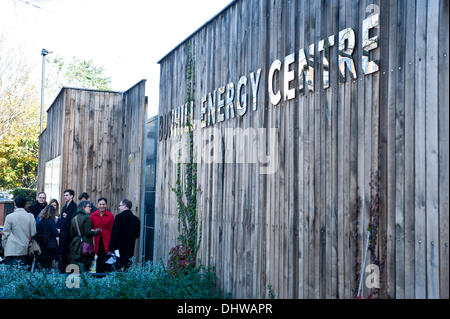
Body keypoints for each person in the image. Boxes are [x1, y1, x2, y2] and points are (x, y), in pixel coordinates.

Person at [1, 196, 36, 269]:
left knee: (11, 276)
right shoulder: (30, 216)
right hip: (25, 249)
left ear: (15, 204)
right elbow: (33, 232)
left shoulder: (9, 217)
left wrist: (5, 246)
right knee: (23, 275)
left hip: (11, 249)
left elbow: (5, 234)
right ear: (25, 204)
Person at [68, 201, 101, 271]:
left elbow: (71, 233)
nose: (90, 208)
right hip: (85, 245)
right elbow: (87, 232)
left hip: (75, 244)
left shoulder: (75, 218)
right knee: (85, 266)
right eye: (88, 206)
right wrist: (96, 232)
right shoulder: (87, 218)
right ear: (83, 208)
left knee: (76, 267)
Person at [109, 199, 140, 270]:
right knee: (128, 265)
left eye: (120, 206)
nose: (119, 207)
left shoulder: (119, 217)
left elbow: (114, 234)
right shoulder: (136, 219)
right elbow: (137, 234)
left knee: (118, 266)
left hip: (118, 248)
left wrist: (111, 248)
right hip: (130, 247)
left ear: (125, 206)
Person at [90, 197, 114, 273]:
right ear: (97, 205)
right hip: (95, 241)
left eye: (103, 204)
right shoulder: (92, 215)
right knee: (95, 260)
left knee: (105, 259)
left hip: (106, 241)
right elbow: (90, 228)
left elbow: (112, 230)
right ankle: (95, 276)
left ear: (106, 205)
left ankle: (104, 276)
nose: (102, 206)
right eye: (100, 204)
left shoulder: (110, 216)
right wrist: (94, 231)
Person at [56, 189, 77, 273]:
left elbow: (73, 220)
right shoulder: (64, 207)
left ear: (71, 196)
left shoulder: (74, 206)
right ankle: (63, 270)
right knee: (63, 254)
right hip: (63, 234)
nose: (65, 197)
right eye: (64, 195)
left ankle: (69, 271)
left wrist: (66, 217)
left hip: (70, 235)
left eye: (67, 195)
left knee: (68, 254)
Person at [35, 205, 59, 270]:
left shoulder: (40, 221)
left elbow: (37, 233)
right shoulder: (51, 221)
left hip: (41, 246)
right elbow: (56, 233)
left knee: (41, 267)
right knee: (48, 266)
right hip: (50, 247)